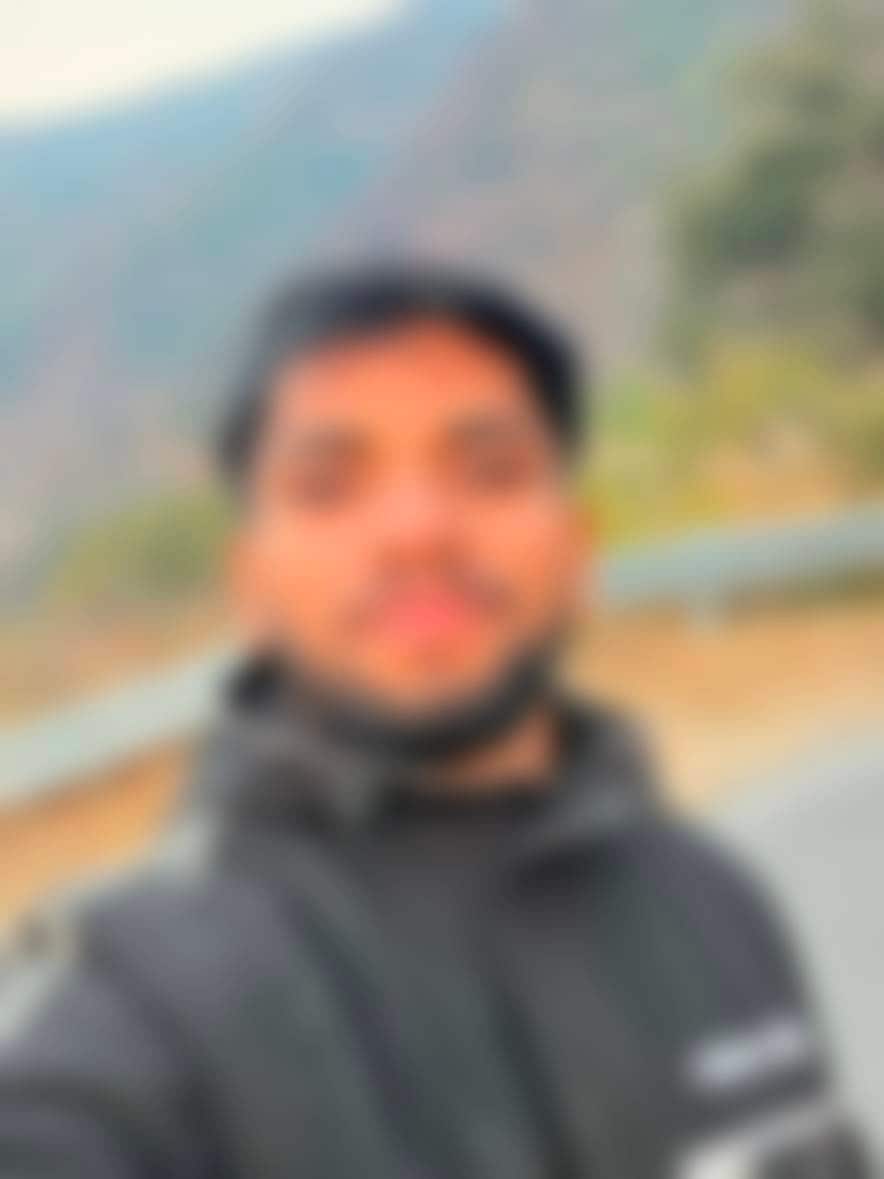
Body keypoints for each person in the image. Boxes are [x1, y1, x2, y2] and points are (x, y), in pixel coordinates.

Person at [0, 266, 868, 1178]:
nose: (417, 528)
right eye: (328, 487)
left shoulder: (710, 897)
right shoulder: (136, 1006)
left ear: (579, 548)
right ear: (250, 584)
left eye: (490, 472)